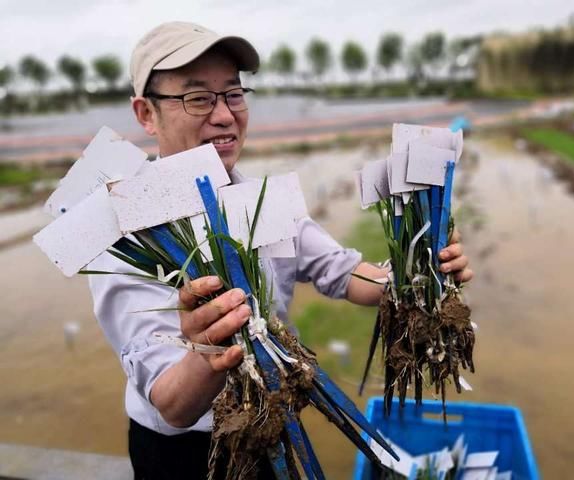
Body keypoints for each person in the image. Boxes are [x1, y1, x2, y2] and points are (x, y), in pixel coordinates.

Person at [88, 21, 473, 479]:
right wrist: (206, 351)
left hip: (275, 422)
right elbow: (172, 404)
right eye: (197, 97)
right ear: (146, 114)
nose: (225, 115)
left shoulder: (262, 200)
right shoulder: (127, 231)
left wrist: (413, 277)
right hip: (187, 454)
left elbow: (342, 272)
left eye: (233, 94)